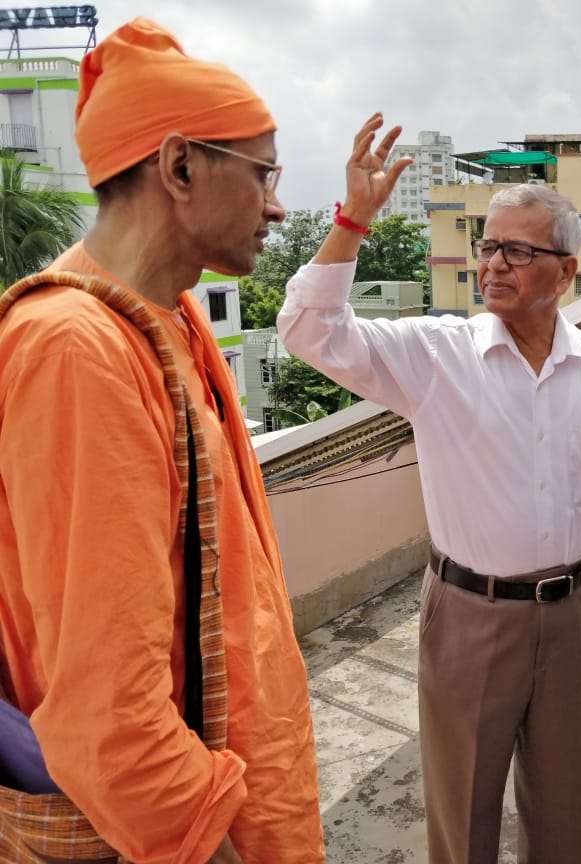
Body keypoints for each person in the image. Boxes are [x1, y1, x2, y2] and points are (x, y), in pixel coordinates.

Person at [278, 116, 581, 863]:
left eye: (518, 250)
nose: (493, 264)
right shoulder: (438, 355)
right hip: (471, 615)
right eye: (487, 246)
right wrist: (352, 221)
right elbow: (312, 332)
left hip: (575, 610)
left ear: (566, 271)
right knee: (463, 806)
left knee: (565, 803)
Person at [0, 19, 324, 864]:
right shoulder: (75, 349)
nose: (278, 205)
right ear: (180, 166)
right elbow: (107, 707)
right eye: (264, 174)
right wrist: (211, 846)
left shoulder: (171, 318)